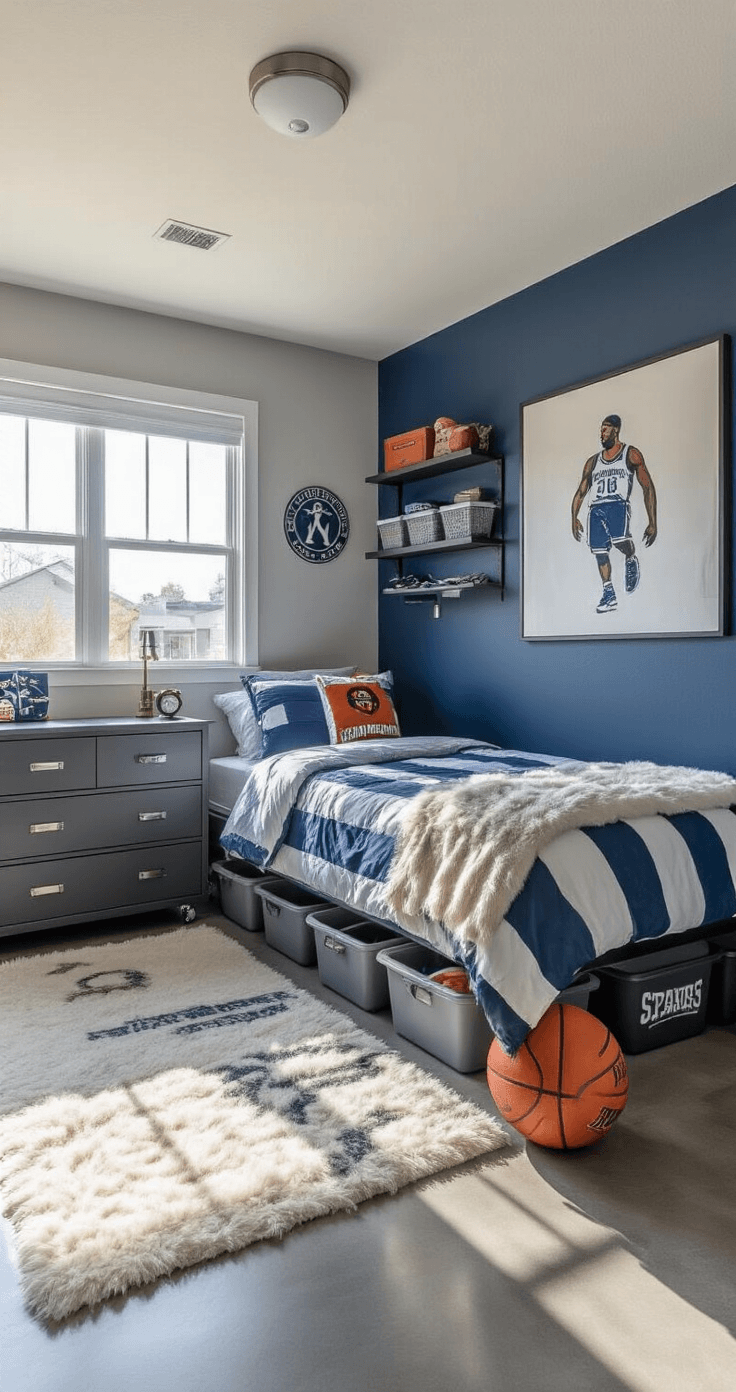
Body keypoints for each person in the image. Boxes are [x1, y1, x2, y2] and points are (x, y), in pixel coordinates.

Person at [571, 414, 657, 614]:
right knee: (600, 553)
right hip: (596, 508)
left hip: (617, 505)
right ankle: (609, 593)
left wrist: (653, 521)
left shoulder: (630, 453)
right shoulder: (592, 462)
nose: (601, 433)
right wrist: (573, 517)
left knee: (619, 541)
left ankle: (630, 557)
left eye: (605, 429)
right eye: (601, 429)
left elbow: (647, 487)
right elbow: (581, 491)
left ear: (615, 430)